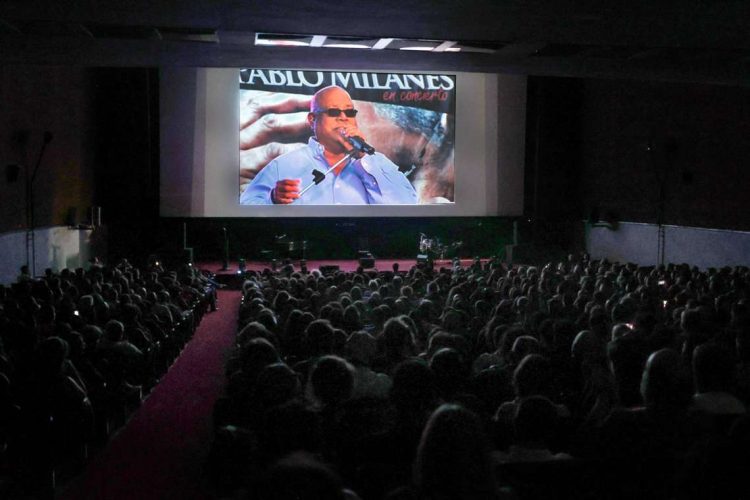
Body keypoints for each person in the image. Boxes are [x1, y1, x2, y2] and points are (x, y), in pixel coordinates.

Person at [240, 85, 418, 205]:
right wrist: (273, 199)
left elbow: (408, 204)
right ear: (312, 120)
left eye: (349, 112)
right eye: (333, 112)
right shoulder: (285, 164)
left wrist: (364, 160)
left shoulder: (377, 162)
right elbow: (248, 205)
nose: (343, 117)